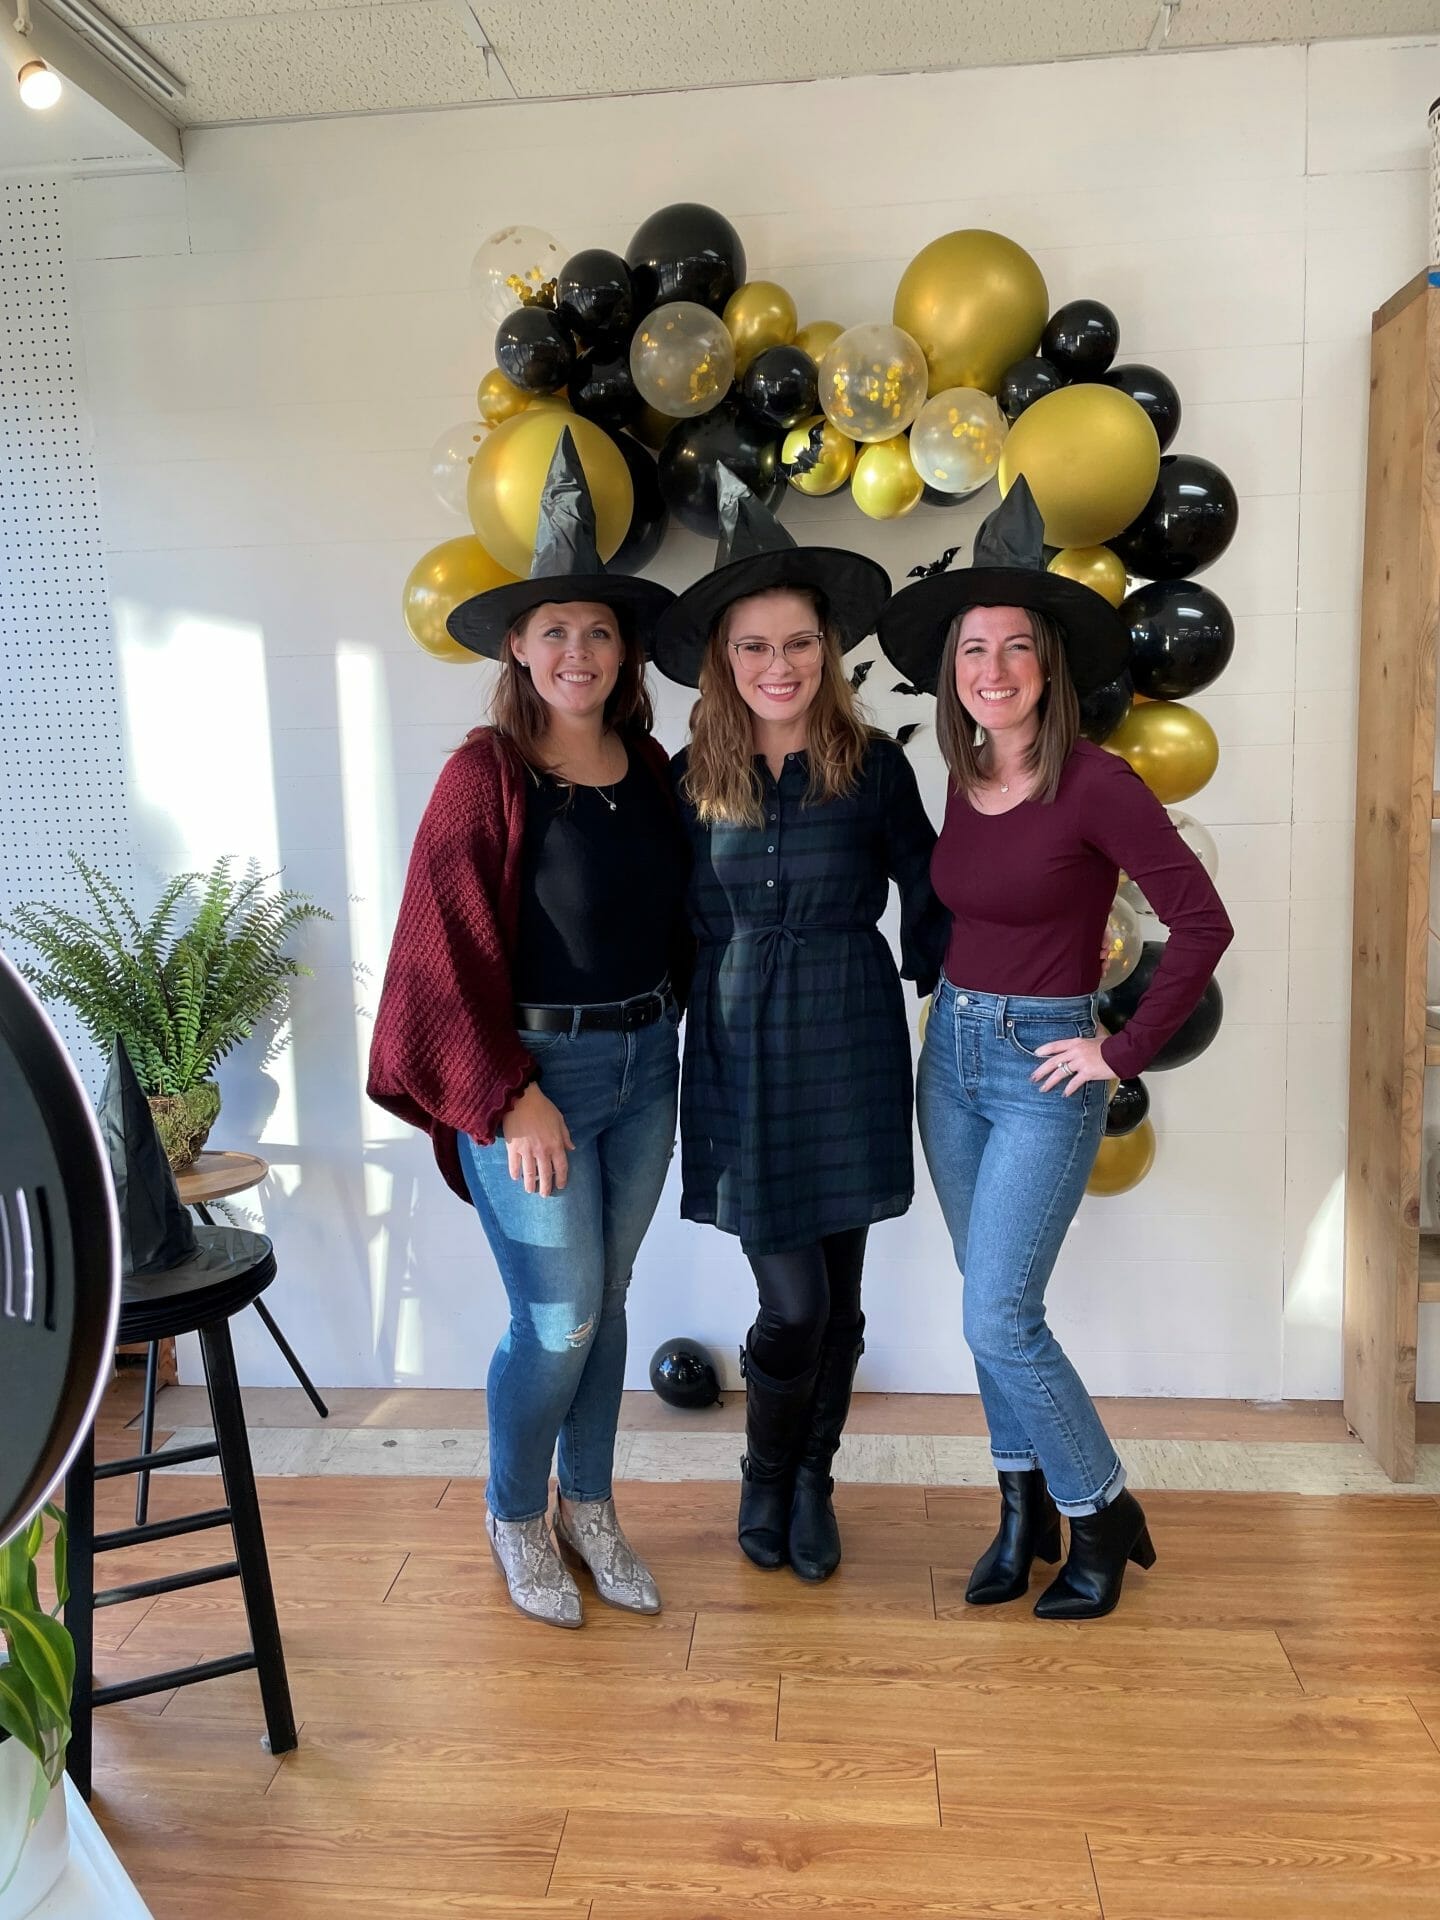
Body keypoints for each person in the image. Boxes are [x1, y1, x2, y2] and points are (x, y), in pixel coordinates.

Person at [878, 477, 1233, 1621]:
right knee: (984, 1298)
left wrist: (1118, 1053)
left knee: (1000, 1316)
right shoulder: (966, 771)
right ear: (954, 673)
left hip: (1044, 1067)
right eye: (973, 650)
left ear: (1048, 665)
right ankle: (1020, 1508)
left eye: (1015, 647)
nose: (993, 668)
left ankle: (1102, 1511)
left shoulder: (1097, 783)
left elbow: (1203, 923)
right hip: (952, 1056)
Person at [368, 432, 691, 1629]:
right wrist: (508, 1095)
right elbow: (437, 952)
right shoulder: (486, 776)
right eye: (554, 630)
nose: (577, 651)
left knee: (607, 1305)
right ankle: (515, 1511)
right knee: (557, 1319)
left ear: (625, 650)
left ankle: (589, 1504)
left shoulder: (651, 769)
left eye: (598, 631)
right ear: (516, 644)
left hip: (646, 1069)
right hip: (533, 1080)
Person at [652, 470, 945, 1584]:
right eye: (755, 646)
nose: (780, 666)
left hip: (849, 1036)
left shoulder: (875, 768)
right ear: (723, 659)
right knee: (796, 1300)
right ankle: (764, 1472)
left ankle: (812, 1477)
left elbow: (934, 885)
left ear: (828, 650)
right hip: (736, 1048)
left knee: (842, 1295)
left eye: (799, 644)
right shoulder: (688, 780)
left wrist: (975, 987)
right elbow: (654, 919)